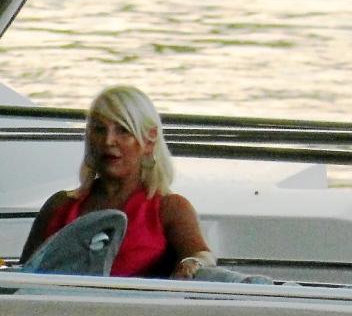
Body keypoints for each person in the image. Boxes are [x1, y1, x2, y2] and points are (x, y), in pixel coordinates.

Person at [19, 85, 215, 279]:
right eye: (99, 129)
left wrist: (191, 263)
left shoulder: (169, 208)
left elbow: (202, 256)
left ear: (149, 141)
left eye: (123, 130)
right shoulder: (58, 206)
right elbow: (21, 277)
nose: (108, 140)